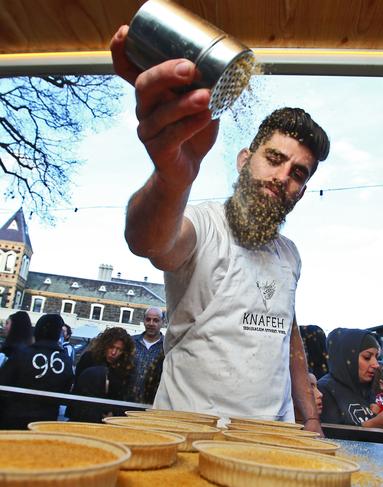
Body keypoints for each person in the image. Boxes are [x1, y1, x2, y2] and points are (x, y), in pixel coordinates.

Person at [109, 25, 326, 433]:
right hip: (186, 440)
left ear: (302, 190)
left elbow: (289, 336)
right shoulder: (205, 224)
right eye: (274, 158)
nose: (283, 177)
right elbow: (151, 241)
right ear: (245, 159)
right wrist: (171, 177)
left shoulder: (290, 254)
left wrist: (310, 417)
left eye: (297, 173)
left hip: (269, 445)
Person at [318, 328, 383, 429]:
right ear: (348, 358)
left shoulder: (367, 388)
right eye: (367, 357)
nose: (376, 364)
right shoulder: (324, 389)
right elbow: (329, 437)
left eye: (377, 357)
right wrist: (373, 424)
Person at [0, 314, 74, 428]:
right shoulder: (66, 360)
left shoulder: (21, 354)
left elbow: (4, 382)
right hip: (46, 421)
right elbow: (65, 389)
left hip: (15, 417)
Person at [75, 327, 135, 401]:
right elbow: (77, 385)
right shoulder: (89, 358)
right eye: (111, 347)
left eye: (119, 349)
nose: (114, 352)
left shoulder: (124, 367)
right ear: (104, 345)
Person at [128, 307, 165, 404]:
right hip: (127, 400)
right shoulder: (130, 342)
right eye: (148, 319)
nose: (151, 323)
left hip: (154, 403)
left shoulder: (167, 347)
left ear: (162, 322)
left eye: (156, 320)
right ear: (144, 321)